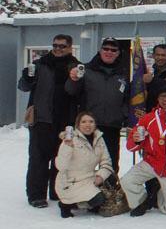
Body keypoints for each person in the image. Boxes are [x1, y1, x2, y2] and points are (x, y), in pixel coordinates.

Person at [17, 34, 79, 208]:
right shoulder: (39, 65)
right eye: (55, 46)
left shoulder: (76, 66)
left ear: (70, 47)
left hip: (66, 120)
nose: (58, 49)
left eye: (62, 46)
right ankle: (36, 195)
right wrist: (27, 78)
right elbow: (23, 86)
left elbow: (79, 92)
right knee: (38, 158)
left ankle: (57, 191)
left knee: (62, 159)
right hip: (42, 118)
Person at [122, 81, 166, 216]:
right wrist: (136, 140)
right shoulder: (148, 118)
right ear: (157, 99)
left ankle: (161, 193)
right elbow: (130, 146)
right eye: (162, 96)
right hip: (152, 163)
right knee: (127, 181)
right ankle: (141, 202)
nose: (165, 99)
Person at [65, 37, 129, 172]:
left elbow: (126, 99)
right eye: (106, 48)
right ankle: (84, 192)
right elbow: (71, 91)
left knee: (109, 165)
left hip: (112, 126)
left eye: (113, 50)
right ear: (100, 50)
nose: (109, 52)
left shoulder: (123, 73)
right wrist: (73, 79)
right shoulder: (86, 70)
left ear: (118, 53)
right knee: (84, 165)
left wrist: (123, 115)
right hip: (89, 126)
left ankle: (108, 192)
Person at [54, 111, 113, 218]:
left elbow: (106, 161)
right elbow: (60, 166)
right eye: (83, 122)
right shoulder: (70, 139)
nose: (88, 125)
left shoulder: (99, 139)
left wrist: (101, 176)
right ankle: (65, 204)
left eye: (91, 121)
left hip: (89, 178)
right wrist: (68, 147)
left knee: (102, 199)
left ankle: (80, 202)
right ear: (78, 125)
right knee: (98, 199)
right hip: (70, 181)